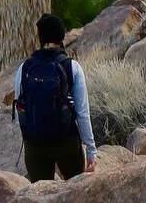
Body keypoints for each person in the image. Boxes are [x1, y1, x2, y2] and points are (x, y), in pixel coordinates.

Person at [12, 14, 96, 180]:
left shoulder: (25, 68)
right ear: (62, 36)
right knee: (75, 191)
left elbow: (20, 106)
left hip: (35, 144)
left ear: (40, 37)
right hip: (66, 142)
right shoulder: (72, 66)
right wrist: (91, 150)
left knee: (40, 194)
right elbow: (82, 113)